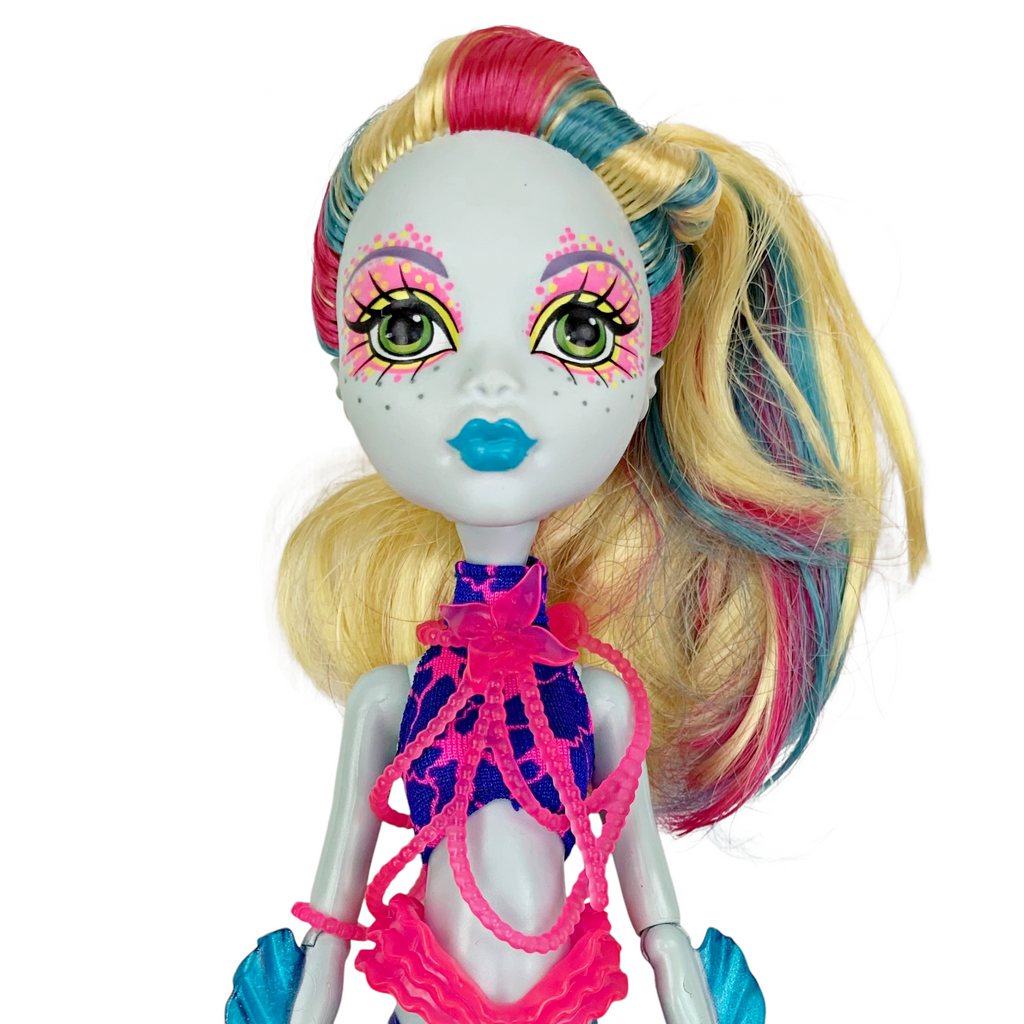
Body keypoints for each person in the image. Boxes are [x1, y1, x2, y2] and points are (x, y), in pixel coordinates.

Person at [226, 25, 925, 1024]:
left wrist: (685, 985)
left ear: (648, 373)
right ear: (341, 363)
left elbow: (655, 914)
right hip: (424, 997)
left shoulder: (597, 701)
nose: (491, 384)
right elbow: (333, 911)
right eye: (407, 326)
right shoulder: (392, 699)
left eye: (581, 329)